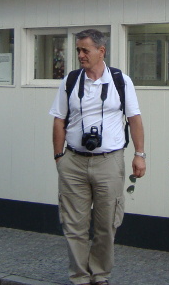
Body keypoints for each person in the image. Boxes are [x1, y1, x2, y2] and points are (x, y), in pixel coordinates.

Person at [48, 29, 146, 285]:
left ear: (101, 51)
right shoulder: (70, 81)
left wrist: (139, 154)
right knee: (74, 225)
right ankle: (80, 277)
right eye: (78, 50)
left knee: (107, 224)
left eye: (85, 50)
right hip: (73, 161)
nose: (80, 55)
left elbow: (134, 119)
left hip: (109, 162)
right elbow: (58, 120)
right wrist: (59, 157)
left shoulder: (120, 81)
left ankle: (100, 275)